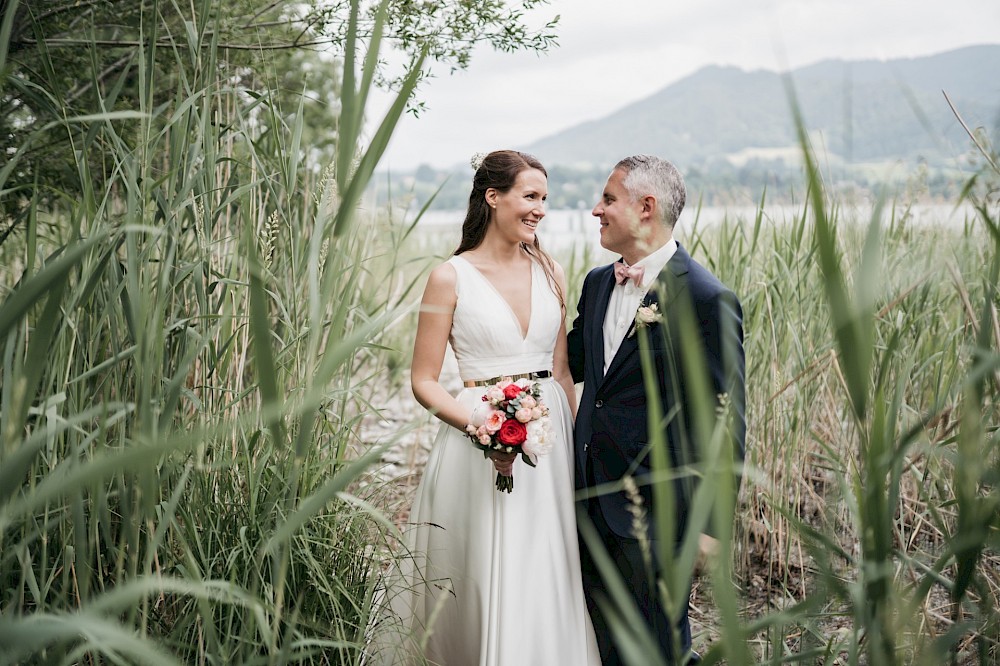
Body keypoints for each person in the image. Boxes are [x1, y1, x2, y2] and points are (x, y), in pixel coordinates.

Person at [377, 150, 600, 665]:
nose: (540, 208)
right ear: (492, 197)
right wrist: (483, 427)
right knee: (479, 566)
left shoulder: (552, 270)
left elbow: (562, 370)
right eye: (530, 196)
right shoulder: (449, 277)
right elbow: (424, 380)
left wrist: (574, 447)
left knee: (545, 564)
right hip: (478, 437)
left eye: (544, 198)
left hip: (550, 442)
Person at [567, 154, 746, 664]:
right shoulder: (599, 283)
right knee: (600, 645)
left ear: (646, 208)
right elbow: (573, 364)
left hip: (657, 512)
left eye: (607, 199)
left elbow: (724, 418)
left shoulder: (707, 298)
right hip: (585, 497)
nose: (595, 209)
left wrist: (711, 526)